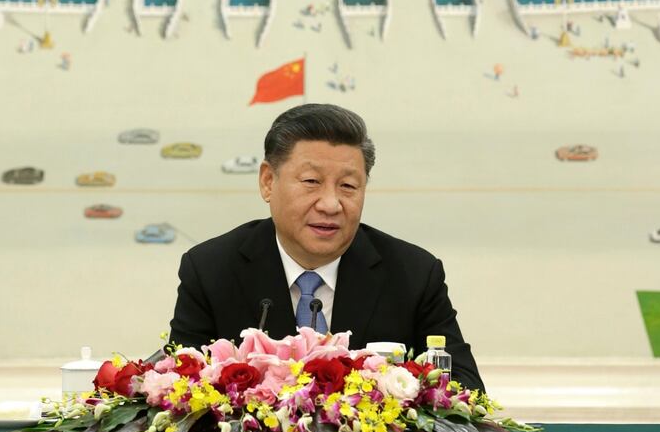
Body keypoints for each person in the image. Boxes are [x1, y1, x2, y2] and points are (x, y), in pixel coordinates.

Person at [169, 104, 484, 391]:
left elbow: (465, 390)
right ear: (268, 181)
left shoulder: (413, 274)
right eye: (311, 181)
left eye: (348, 186)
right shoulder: (211, 270)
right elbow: (179, 390)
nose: (331, 204)